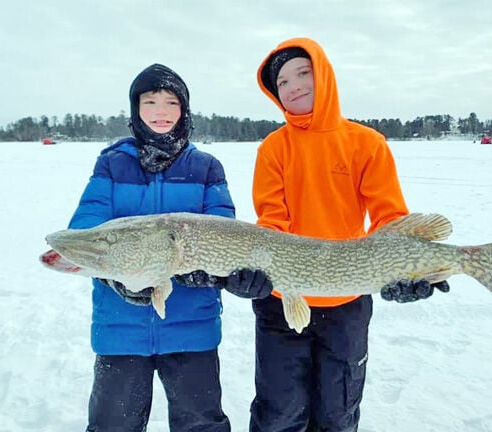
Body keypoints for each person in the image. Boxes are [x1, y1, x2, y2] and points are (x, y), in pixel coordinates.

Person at [250, 38, 449, 431]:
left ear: (323, 75)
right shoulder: (274, 149)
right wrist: (251, 267)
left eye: (303, 73)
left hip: (347, 303)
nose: (294, 86)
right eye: (283, 82)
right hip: (281, 301)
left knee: (337, 412)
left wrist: (410, 270)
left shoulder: (365, 143)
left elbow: (389, 218)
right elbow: (272, 221)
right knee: (279, 413)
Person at [68, 63, 272, 432]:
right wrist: (119, 279)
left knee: (201, 425)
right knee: (112, 426)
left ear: (184, 111)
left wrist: (236, 278)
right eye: (150, 102)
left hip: (192, 327)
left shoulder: (206, 166)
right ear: (135, 110)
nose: (161, 112)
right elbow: (86, 229)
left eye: (171, 102)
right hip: (121, 329)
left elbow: (226, 232)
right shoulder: (113, 164)